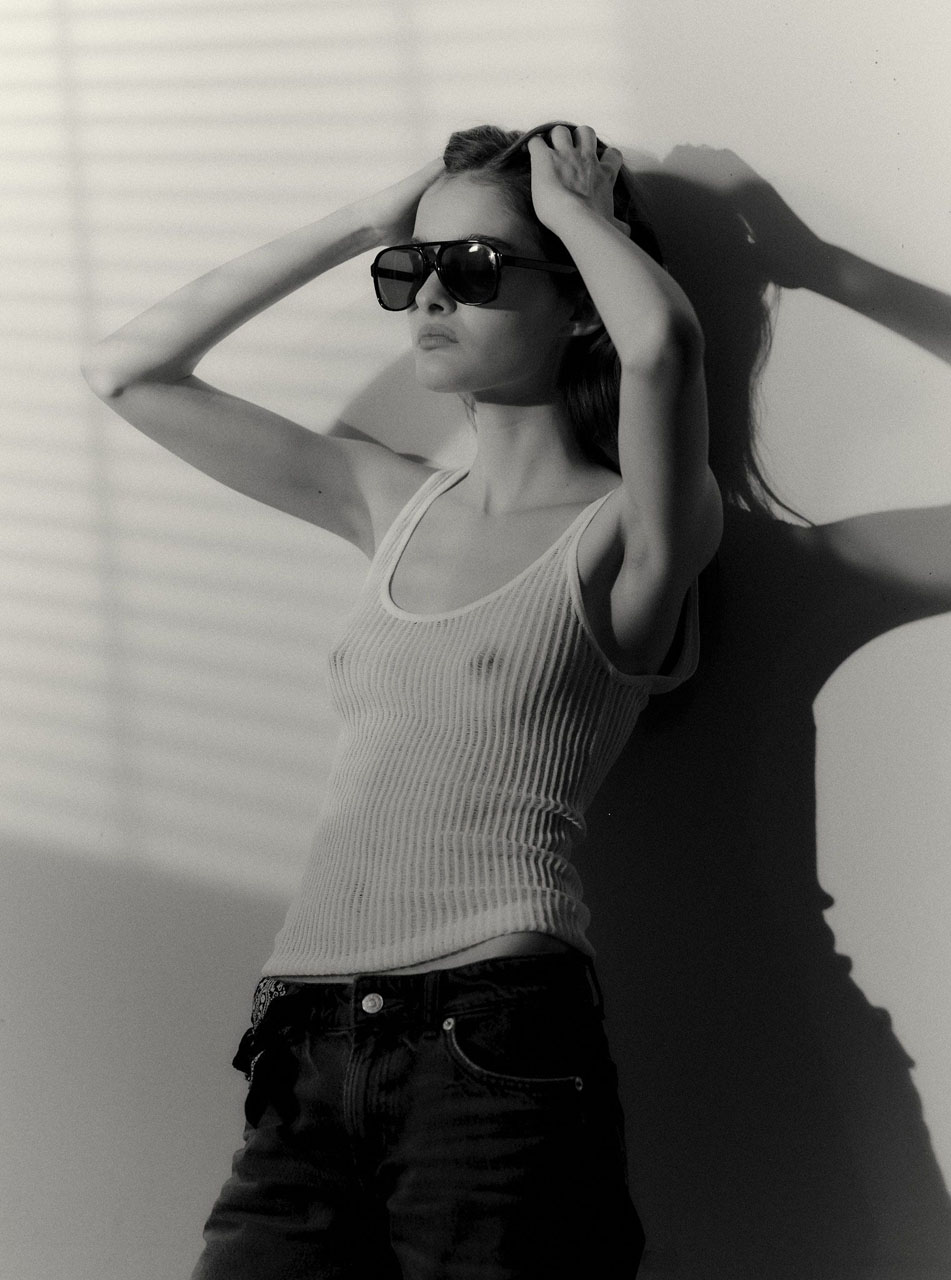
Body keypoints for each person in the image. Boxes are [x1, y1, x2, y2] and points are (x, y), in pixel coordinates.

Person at [82, 121, 721, 1279]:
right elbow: (127, 372)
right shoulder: (392, 500)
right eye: (411, 268)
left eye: (473, 267)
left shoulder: (631, 532)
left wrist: (578, 215)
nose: (429, 294)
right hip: (302, 1040)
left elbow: (664, 347)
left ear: (579, 301)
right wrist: (365, 221)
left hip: (494, 1034)